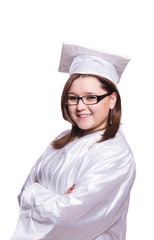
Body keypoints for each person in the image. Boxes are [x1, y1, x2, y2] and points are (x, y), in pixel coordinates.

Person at [11, 43, 136, 239]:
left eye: (91, 97)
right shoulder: (60, 140)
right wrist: (57, 199)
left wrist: (38, 193)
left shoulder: (115, 153)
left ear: (112, 100)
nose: (80, 107)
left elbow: (67, 218)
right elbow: (23, 193)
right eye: (73, 98)